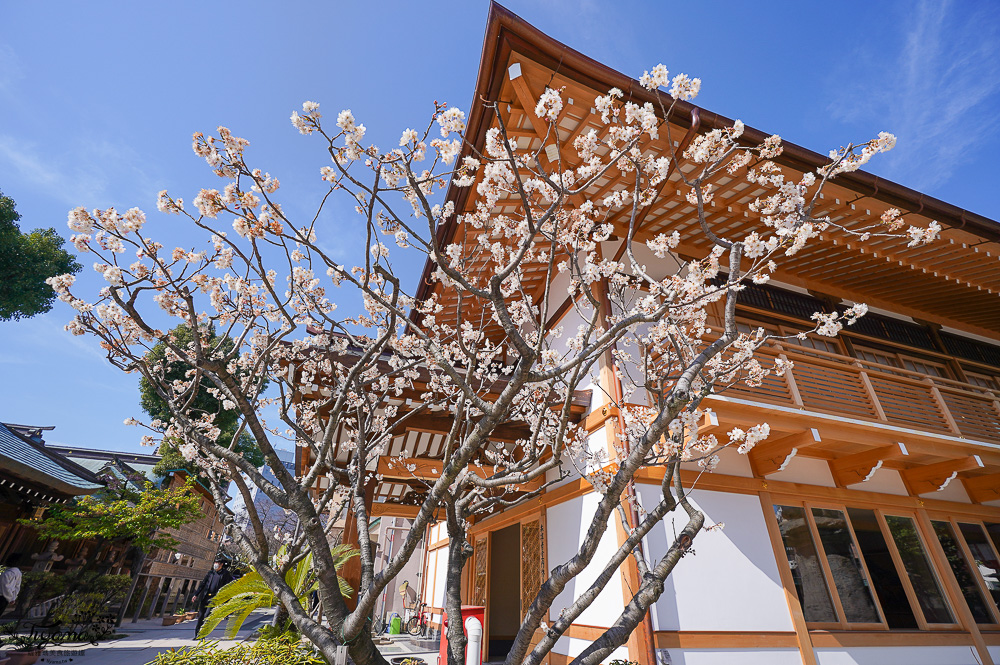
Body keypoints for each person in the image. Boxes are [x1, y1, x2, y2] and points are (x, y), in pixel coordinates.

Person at [192, 558, 234, 638]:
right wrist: (196, 594)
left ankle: (203, 634)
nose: (215, 564)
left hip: (214, 598)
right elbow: (203, 584)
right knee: (201, 616)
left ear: (221, 564)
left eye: (217, 563)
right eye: (215, 562)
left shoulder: (225, 574)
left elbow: (228, 586)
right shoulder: (210, 573)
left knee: (207, 616)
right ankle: (197, 634)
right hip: (205, 597)